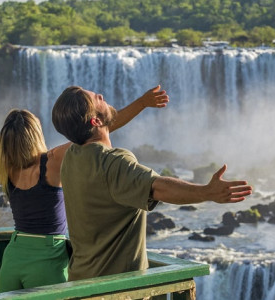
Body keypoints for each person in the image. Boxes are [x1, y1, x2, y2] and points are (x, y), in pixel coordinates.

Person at [0, 87, 169, 291]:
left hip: (13, 258)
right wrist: (142, 103)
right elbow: (98, 127)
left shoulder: (4, 166)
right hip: (47, 258)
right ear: (35, 135)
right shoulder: (53, 161)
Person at [51, 86, 254, 281]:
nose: (101, 95)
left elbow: (103, 125)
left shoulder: (72, 155)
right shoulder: (114, 162)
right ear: (95, 120)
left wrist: (142, 103)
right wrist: (207, 192)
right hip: (116, 289)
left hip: (81, 282)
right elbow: (158, 187)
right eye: (96, 98)